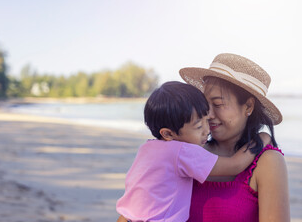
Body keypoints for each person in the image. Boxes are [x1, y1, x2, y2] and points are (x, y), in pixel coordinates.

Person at [116, 81, 261, 222]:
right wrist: (261, 140)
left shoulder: (146, 149)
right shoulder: (183, 151)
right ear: (168, 134)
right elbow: (234, 166)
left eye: (206, 120)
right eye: (198, 126)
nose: (207, 130)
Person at [179, 53, 290, 221]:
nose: (207, 114)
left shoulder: (268, 162)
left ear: (248, 106)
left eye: (218, 104)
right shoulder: (190, 151)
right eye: (204, 103)